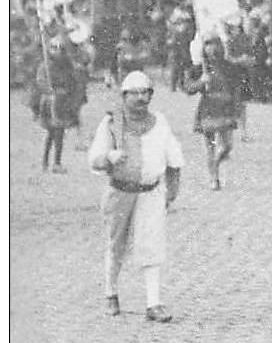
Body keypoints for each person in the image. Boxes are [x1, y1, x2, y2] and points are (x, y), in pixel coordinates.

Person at [86, 71, 184, 322]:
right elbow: (94, 159)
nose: (141, 98)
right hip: (120, 191)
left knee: (151, 245)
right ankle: (111, 293)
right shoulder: (111, 123)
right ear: (124, 95)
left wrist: (171, 191)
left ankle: (154, 303)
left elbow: (174, 158)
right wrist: (109, 157)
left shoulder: (159, 122)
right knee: (116, 244)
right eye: (135, 93)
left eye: (146, 93)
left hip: (151, 192)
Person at [183, 35, 245, 190]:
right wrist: (200, 82)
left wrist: (237, 107)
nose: (212, 49)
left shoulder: (228, 67)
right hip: (208, 108)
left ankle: (217, 163)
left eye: (215, 45)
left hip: (225, 108)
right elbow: (188, 88)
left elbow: (237, 88)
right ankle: (214, 177)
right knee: (210, 146)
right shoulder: (199, 68)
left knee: (227, 146)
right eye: (208, 45)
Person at [33, 36, 86, 173]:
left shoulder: (67, 66)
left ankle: (53, 162)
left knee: (58, 132)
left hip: (63, 102)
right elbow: (41, 82)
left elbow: (73, 80)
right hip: (50, 103)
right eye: (54, 48)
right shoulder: (44, 66)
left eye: (61, 48)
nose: (58, 51)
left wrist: (69, 91)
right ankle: (50, 162)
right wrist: (50, 90)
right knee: (54, 132)